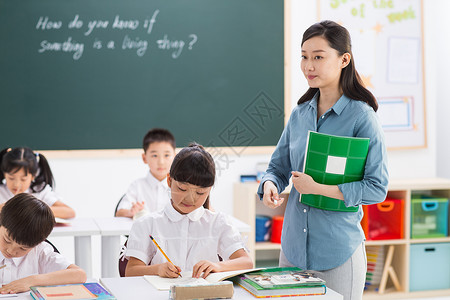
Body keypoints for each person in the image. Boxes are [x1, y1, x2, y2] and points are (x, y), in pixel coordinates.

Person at [258, 20, 388, 300]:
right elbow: (278, 168)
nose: (309, 66)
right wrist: (270, 184)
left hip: (338, 253)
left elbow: (377, 187)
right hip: (292, 251)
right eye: (304, 57)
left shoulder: (362, 118)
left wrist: (317, 188)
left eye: (318, 57)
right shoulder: (299, 114)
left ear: (344, 60)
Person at [124, 143, 253, 278]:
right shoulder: (147, 224)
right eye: (182, 189)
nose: (190, 199)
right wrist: (157, 269)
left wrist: (218, 266)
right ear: (169, 181)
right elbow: (131, 271)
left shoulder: (219, 223)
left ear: (209, 190)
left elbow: (246, 262)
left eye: (200, 193)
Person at [0, 193, 86, 294]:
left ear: (37, 243)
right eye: (7, 240)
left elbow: (80, 275)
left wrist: (32, 281)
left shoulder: (40, 252)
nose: (11, 250)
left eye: (23, 248)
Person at [115, 128, 176, 219]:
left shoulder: (179, 187)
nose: (161, 162)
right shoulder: (137, 186)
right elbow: (119, 212)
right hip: (143, 233)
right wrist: (131, 212)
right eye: (154, 155)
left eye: (166, 155)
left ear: (175, 157)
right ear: (144, 158)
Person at [0, 147, 75, 219]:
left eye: (23, 179)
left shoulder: (39, 190)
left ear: (33, 176)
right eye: (11, 178)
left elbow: (70, 212)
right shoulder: (1, 191)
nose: (16, 184)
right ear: (4, 174)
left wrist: (34, 209)